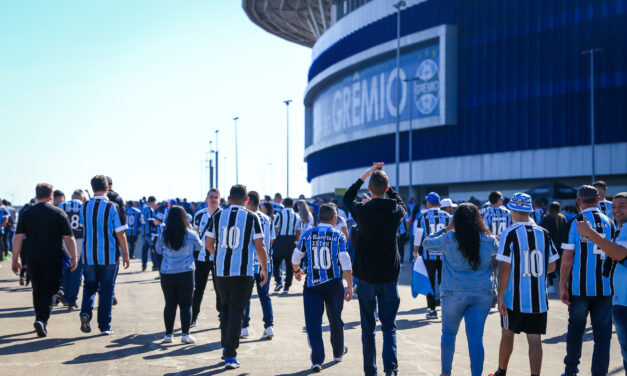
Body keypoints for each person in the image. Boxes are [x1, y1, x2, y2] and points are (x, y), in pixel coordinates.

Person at [342, 162, 407, 376]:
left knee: (368, 328)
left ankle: (371, 371)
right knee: (389, 326)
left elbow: (347, 197)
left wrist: (367, 174)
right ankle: (392, 370)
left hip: (367, 277)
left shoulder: (362, 210)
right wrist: (386, 186)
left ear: (370, 189)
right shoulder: (395, 211)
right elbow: (400, 202)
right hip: (389, 276)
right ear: (387, 188)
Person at [422, 203, 498, 376]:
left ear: (455, 220)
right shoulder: (488, 239)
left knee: (448, 334)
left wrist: (446, 229)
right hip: (482, 293)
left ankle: (446, 373)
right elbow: (497, 250)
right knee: (476, 338)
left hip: (453, 293)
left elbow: (427, 243)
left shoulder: (449, 238)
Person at [489, 193, 559, 376]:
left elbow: (505, 267)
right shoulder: (544, 233)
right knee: (535, 338)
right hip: (538, 298)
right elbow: (552, 266)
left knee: (507, 333)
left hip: (514, 296)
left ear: (512, 210)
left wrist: (501, 295)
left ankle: (501, 372)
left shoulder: (509, 233)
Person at [205, 184, 268, 370]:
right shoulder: (252, 216)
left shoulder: (218, 215)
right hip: (242, 272)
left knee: (225, 310)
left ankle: (226, 348)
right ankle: (231, 355)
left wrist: (218, 255)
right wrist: (264, 268)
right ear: (246, 199)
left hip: (221, 272)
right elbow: (260, 245)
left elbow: (208, 242)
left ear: (229, 198)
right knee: (236, 313)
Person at [560, 185, 615, 376]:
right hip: (605, 288)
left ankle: (571, 370)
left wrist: (562, 286)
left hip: (579, 288)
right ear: (599, 200)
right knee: (602, 335)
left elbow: (567, 259)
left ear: (578, 202)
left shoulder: (575, 222)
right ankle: (599, 373)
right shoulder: (610, 222)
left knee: (575, 330)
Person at [292, 203, 353, 372]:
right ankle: (338, 352)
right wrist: (350, 285)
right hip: (333, 283)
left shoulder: (308, 234)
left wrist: (297, 270)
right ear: (334, 219)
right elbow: (345, 261)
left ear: (320, 218)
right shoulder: (338, 235)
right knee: (335, 319)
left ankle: (317, 360)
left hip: (312, 284)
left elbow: (295, 257)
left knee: (313, 323)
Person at [11, 183, 77, 337]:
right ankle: (41, 320)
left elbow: (18, 238)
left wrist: (15, 259)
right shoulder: (58, 213)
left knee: (37, 290)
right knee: (52, 289)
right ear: (51, 195)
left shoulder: (26, 213)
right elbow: (69, 238)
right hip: (52, 256)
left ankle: (39, 319)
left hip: (32, 257)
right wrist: (74, 257)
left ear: (36, 194)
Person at [575, 192, 627, 373]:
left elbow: (619, 254)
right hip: (619, 299)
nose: (616, 210)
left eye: (622, 206)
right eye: (614, 206)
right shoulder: (619, 227)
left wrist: (590, 233)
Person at [79, 175, 130, 335]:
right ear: (108, 188)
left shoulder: (84, 206)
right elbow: (120, 233)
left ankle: (86, 313)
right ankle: (105, 326)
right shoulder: (112, 207)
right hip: (109, 255)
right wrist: (126, 254)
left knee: (89, 287)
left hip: (88, 255)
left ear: (93, 188)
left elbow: (83, 226)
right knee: (107, 291)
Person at [155, 205, 202, 344]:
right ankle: (185, 334)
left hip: (167, 273)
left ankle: (168, 335)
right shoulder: (191, 234)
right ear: (184, 217)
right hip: (186, 273)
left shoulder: (164, 234)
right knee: (186, 304)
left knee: (169, 304)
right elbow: (200, 247)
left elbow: (158, 250)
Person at [242, 191, 275, 340]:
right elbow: (272, 239)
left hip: (249, 262)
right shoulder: (267, 219)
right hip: (265, 262)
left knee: (246, 296)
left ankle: (245, 326)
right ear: (259, 202)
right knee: (265, 296)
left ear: (247, 201)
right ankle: (269, 326)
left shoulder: (246, 217)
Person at [413, 191, 452, 319]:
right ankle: (446, 308)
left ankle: (432, 309)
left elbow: (418, 235)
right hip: (445, 254)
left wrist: (415, 250)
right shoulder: (448, 216)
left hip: (428, 253)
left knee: (430, 281)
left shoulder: (423, 217)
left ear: (429, 203)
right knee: (444, 281)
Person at [191, 188, 222, 327]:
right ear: (206, 199)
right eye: (211, 197)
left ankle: (222, 316)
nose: (213, 199)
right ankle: (193, 317)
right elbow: (194, 235)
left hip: (217, 258)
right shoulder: (199, 215)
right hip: (201, 258)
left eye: (216, 197)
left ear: (219, 200)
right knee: (198, 289)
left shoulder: (224, 215)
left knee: (220, 289)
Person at [58, 190, 86, 310]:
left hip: (64, 240)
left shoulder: (62, 205)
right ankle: (72, 301)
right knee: (77, 270)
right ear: (82, 197)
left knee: (67, 268)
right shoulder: (84, 206)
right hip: (78, 240)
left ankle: (65, 293)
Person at [271, 197, 301, 293]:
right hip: (291, 240)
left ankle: (278, 281)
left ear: (283, 204)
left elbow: (275, 229)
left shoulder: (279, 215)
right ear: (292, 205)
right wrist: (297, 242)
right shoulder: (297, 216)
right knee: (289, 265)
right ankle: (287, 286)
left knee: (276, 262)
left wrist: (273, 242)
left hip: (280, 240)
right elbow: (298, 231)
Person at [540, 202, 567, 293]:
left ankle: (551, 285)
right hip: (561, 245)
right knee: (560, 266)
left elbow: (542, 231)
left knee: (550, 265)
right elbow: (565, 232)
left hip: (550, 245)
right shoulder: (562, 218)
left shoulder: (546, 218)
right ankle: (562, 284)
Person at [140, 196, 158, 272]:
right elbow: (151, 221)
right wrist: (156, 229)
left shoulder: (143, 208)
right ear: (152, 201)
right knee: (153, 249)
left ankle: (144, 266)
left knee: (144, 250)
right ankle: (155, 266)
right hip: (149, 232)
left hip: (143, 232)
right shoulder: (150, 209)